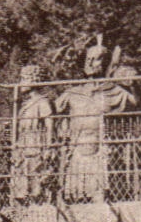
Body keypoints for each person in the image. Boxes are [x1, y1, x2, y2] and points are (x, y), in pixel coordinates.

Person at [55, 37, 135, 202]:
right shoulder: (72, 93)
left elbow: (136, 103)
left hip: (101, 153)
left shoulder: (116, 91)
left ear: (106, 62)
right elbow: (54, 109)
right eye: (88, 58)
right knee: (75, 198)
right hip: (76, 152)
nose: (91, 63)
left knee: (101, 198)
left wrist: (130, 83)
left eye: (97, 58)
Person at [10, 65, 56, 203]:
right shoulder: (24, 104)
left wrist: (48, 147)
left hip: (36, 143)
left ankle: (37, 203)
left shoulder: (42, 102)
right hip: (23, 144)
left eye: (24, 79)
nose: (21, 83)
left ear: (33, 81)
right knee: (21, 178)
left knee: (35, 176)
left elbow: (49, 125)